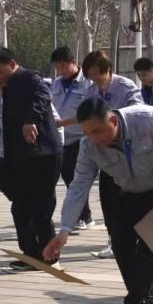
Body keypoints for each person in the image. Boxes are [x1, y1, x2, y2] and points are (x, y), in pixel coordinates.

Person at [45, 97, 153, 304]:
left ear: (113, 120)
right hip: (130, 191)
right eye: (88, 133)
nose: (95, 138)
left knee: (150, 243)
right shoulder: (89, 146)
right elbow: (78, 187)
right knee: (120, 244)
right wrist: (64, 230)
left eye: (98, 131)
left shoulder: (147, 119)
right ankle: (150, 303)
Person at [0, 48, 62, 270]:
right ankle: (31, 254)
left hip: (44, 155)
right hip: (21, 157)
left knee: (41, 209)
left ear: (12, 64)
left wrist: (31, 120)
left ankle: (49, 257)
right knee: (20, 209)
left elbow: (43, 96)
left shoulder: (31, 79)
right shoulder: (7, 88)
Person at [50, 46, 97, 233]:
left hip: (81, 136)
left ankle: (84, 216)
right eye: (57, 66)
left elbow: (89, 112)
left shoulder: (87, 84)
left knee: (75, 177)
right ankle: (82, 214)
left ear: (73, 62)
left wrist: (65, 122)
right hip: (61, 137)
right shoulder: (56, 84)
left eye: (62, 65)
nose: (60, 69)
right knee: (67, 176)